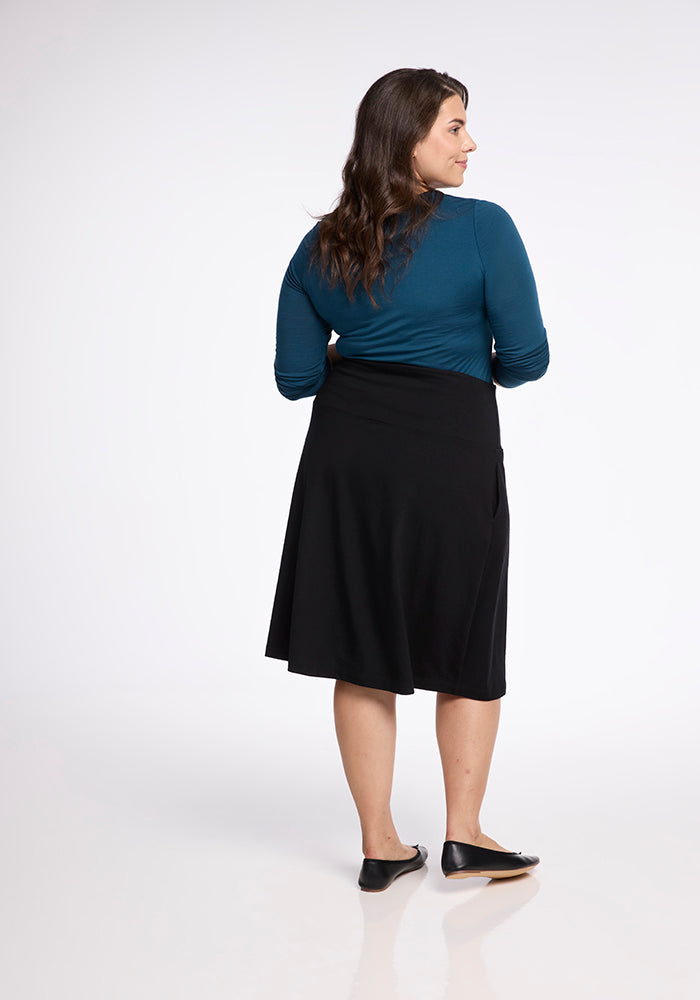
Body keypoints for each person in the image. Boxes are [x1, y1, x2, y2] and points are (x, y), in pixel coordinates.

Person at [264, 68, 548, 892]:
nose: (470, 143)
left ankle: (382, 845)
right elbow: (526, 358)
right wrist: (452, 356)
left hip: (348, 453)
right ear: (408, 138)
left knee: (364, 644)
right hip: (451, 445)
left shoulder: (322, 244)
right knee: (465, 635)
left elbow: (294, 377)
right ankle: (464, 838)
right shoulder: (484, 228)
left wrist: (374, 349)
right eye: (454, 127)